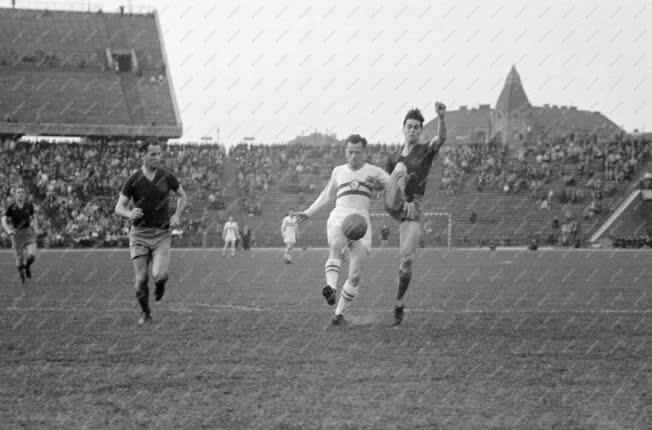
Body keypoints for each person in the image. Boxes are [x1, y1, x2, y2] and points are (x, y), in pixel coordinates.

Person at [295, 134, 390, 325]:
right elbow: (326, 195)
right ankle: (330, 287)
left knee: (355, 275)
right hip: (340, 217)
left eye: (357, 152)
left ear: (365, 152)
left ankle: (338, 315)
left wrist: (380, 187)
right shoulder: (338, 171)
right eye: (350, 152)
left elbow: (394, 186)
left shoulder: (374, 171)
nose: (353, 156)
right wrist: (309, 212)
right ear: (346, 152)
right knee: (336, 245)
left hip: (362, 223)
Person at [384, 102, 447, 325]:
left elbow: (440, 139)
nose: (412, 130)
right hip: (397, 201)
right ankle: (407, 192)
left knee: (407, 260)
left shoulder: (424, 151)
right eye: (409, 126)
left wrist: (440, 117)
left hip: (414, 205)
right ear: (403, 128)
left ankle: (399, 302)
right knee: (399, 169)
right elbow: (386, 181)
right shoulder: (392, 157)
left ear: (421, 131)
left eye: (417, 127)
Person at [114, 141, 187, 324]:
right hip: (139, 234)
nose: (157, 158)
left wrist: (177, 214)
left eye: (158, 154)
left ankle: (160, 285)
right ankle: (145, 313)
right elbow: (118, 207)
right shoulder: (133, 180)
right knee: (141, 280)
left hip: (161, 235)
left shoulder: (167, 177)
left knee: (159, 275)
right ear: (143, 156)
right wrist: (130, 213)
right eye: (152, 154)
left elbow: (183, 196)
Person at [2, 185, 41, 284]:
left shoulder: (29, 206)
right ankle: (21, 273)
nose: (21, 194)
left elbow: (34, 217)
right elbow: (3, 219)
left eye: (22, 192)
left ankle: (27, 267)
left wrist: (36, 228)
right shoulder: (11, 207)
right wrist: (8, 230)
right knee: (19, 260)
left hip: (28, 232)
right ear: (15, 195)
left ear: (25, 195)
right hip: (16, 234)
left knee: (32, 255)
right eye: (18, 192)